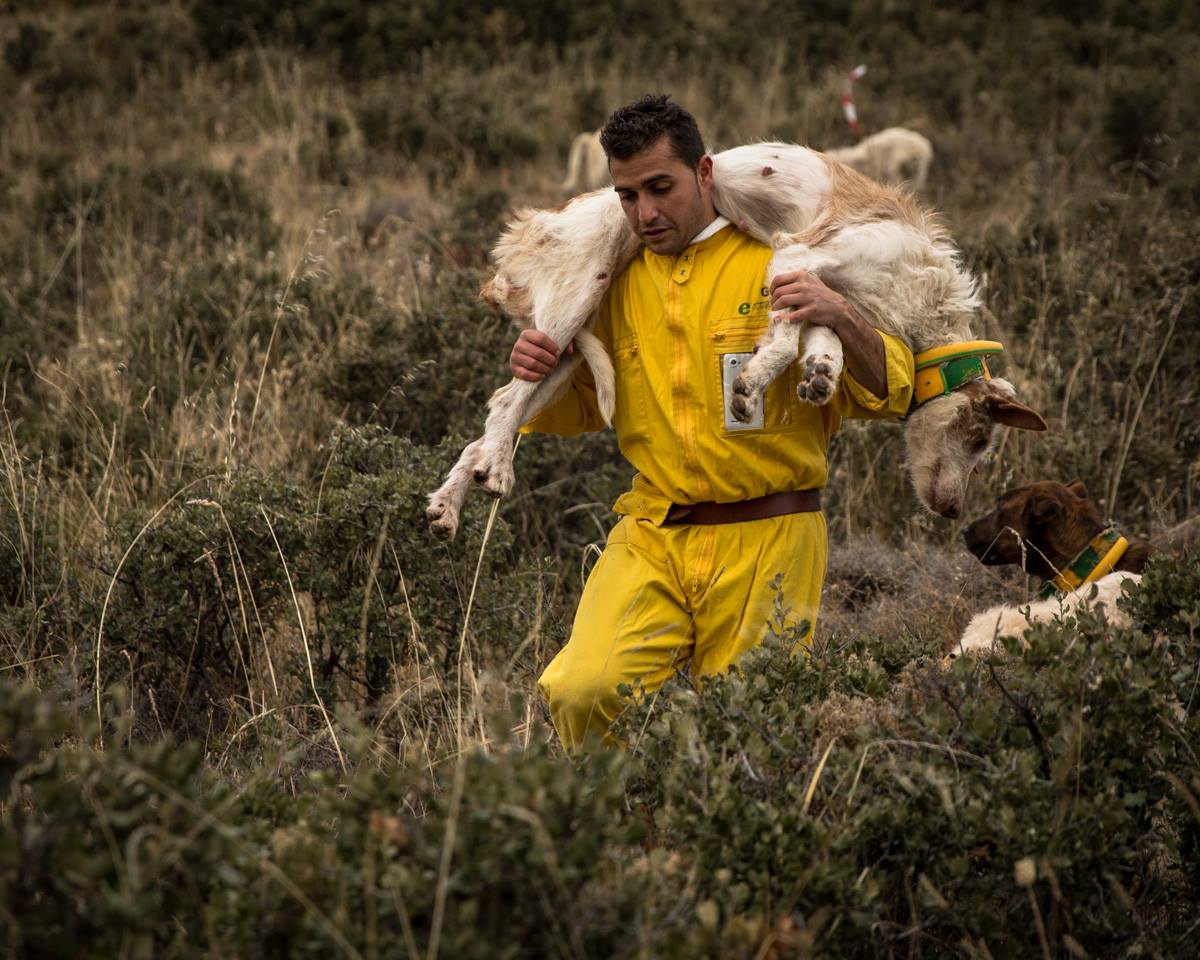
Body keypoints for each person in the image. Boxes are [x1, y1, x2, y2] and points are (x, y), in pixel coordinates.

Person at [513, 95, 915, 749]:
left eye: (660, 188)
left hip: (771, 540)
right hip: (652, 533)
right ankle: (625, 840)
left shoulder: (783, 259)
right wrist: (541, 368)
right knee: (583, 690)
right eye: (626, 195)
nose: (644, 213)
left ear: (704, 175)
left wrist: (841, 316)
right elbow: (588, 403)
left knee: (750, 736)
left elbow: (890, 389)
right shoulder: (614, 280)